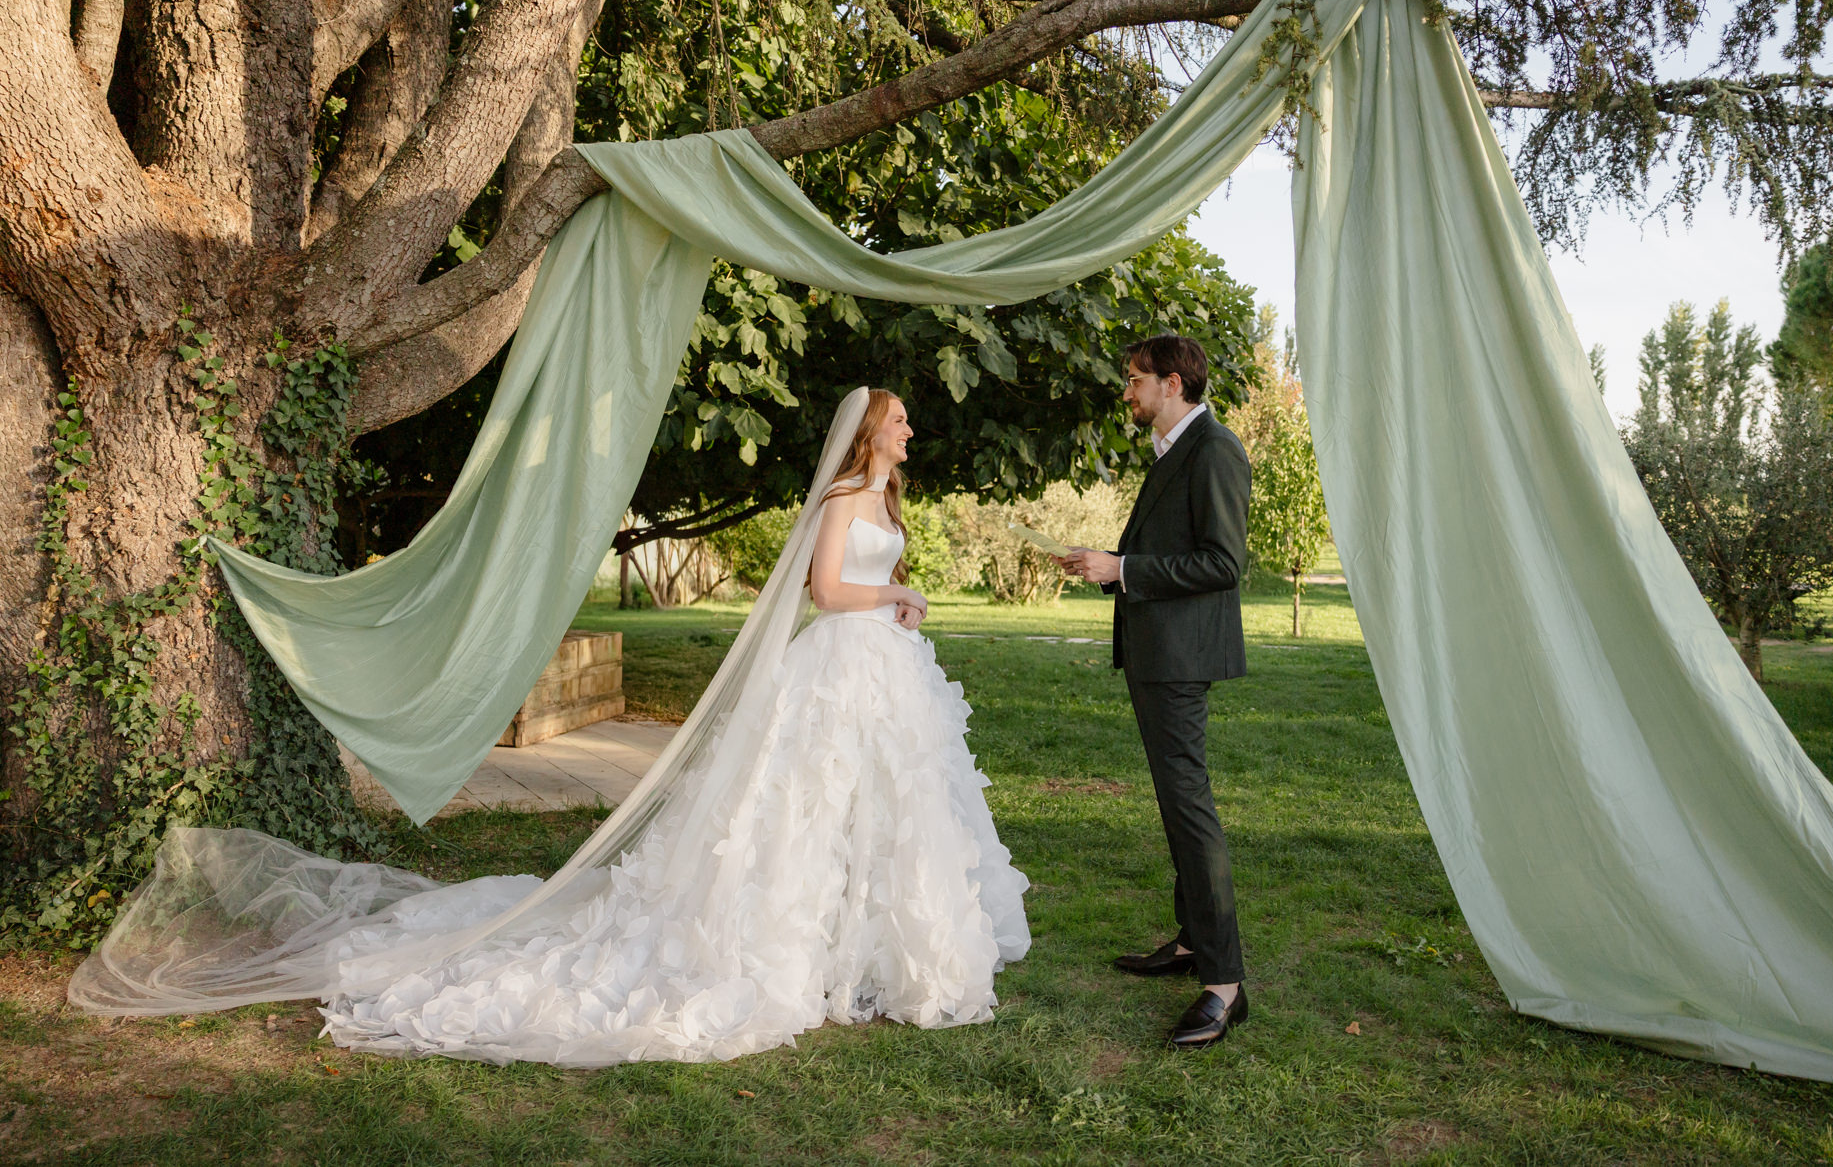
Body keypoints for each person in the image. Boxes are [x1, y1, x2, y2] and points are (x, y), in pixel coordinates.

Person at [71, 388, 1030, 1067]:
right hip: (841, 665)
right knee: (805, 807)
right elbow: (824, 590)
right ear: (870, 432)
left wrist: (895, 600)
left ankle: (867, 949)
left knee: (887, 807)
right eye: (901, 420)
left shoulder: (888, 501)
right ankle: (800, 948)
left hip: (883, 668)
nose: (910, 430)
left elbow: (863, 583)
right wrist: (891, 593)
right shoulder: (842, 501)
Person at [1058, 335, 1252, 1048]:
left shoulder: (1215, 450)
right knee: (1177, 805)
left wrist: (1125, 569)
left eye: (1136, 379)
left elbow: (1223, 563)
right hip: (1156, 653)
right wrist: (1108, 564)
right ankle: (1193, 942)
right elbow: (1165, 551)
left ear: (1173, 384)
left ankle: (1225, 987)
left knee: (1190, 808)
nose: (1128, 391)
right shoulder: (1174, 450)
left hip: (1179, 658)